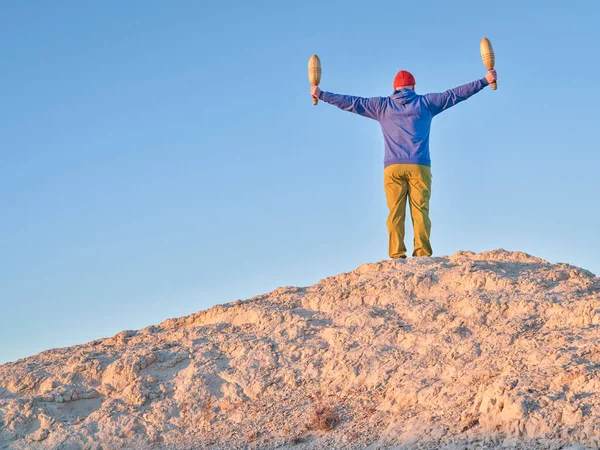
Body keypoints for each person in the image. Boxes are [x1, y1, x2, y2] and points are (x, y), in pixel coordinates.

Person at [310, 69, 497, 259]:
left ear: (395, 88)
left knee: (395, 213)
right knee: (420, 211)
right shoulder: (426, 103)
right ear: (413, 87)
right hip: (419, 165)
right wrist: (484, 80)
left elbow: (352, 103)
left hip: (393, 168)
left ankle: (397, 253)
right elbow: (455, 95)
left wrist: (322, 94)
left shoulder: (382, 106)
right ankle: (422, 253)